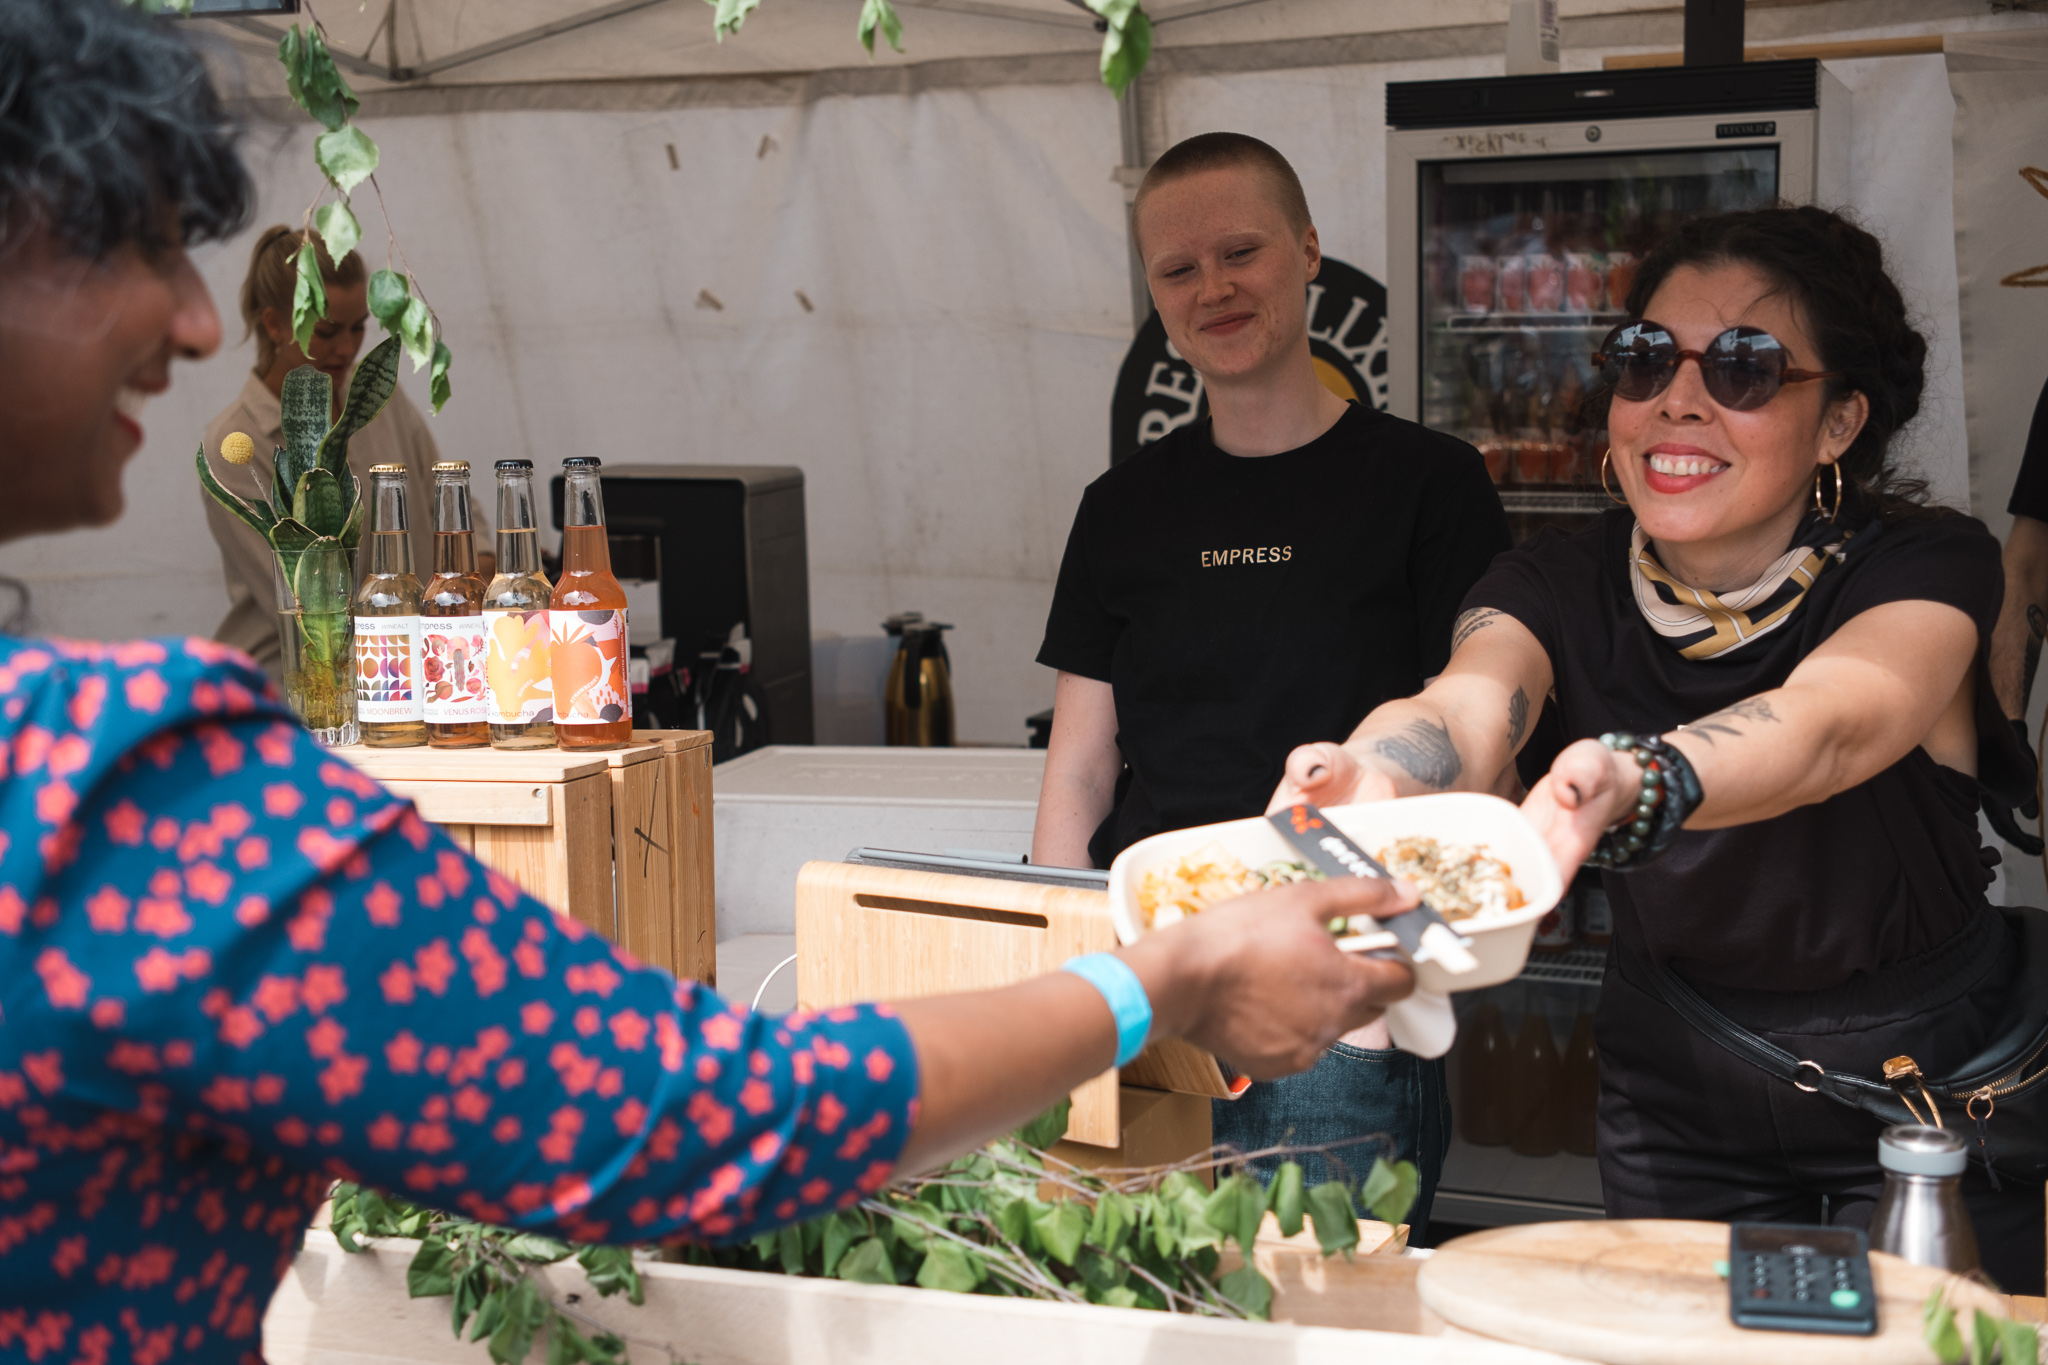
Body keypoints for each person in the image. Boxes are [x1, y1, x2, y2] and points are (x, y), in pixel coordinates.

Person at [0, 3, 1425, 1353]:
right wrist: (1156, 973)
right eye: (131, 242)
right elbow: (691, 1116)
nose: (195, 323)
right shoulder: (121, 779)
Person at [1274, 203, 2046, 1288]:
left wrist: (1644, 778)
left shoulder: (1921, 566)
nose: (1676, 399)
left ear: (1836, 423)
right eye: (1643, 360)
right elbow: (1469, 699)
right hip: (1680, 1096)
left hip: (1923, 1098)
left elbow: (1832, 722)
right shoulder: (1553, 580)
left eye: (1742, 367)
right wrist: (1373, 774)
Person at [1031, 132, 1512, 1233]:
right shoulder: (1120, 507)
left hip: (1334, 980)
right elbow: (1081, 764)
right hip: (1146, 962)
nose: (1212, 288)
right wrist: (1059, 964)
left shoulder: (1429, 486)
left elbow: (1484, 735)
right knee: (1132, 1310)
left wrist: (1382, 991)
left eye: (1239, 251)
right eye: (1176, 270)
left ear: (1306, 252)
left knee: (1323, 1318)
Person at [199, 227, 441, 679]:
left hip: (418, 671)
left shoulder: (382, 400)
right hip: (300, 689)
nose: (347, 349)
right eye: (327, 331)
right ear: (274, 324)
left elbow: (450, 507)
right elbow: (305, 605)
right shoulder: (234, 443)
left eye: (358, 328)